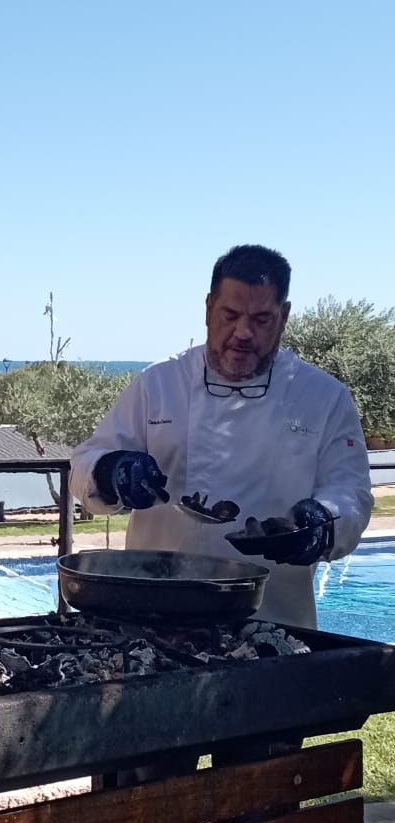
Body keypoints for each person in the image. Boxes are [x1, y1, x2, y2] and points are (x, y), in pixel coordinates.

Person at [70, 244, 373, 786]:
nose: (243, 334)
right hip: (154, 635)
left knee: (257, 807)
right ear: (208, 307)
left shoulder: (323, 398)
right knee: (141, 803)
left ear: (284, 316)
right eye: (230, 316)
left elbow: (351, 495)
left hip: (271, 633)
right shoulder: (156, 385)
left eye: (261, 319)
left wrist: (318, 522)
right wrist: (114, 470)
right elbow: (85, 465)